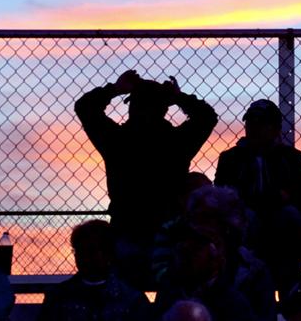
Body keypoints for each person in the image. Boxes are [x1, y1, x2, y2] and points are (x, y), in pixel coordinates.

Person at [75, 69, 218, 288]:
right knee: (173, 288)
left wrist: (116, 88)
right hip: (165, 231)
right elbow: (206, 117)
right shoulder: (177, 142)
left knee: (125, 290)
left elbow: (85, 107)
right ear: (164, 108)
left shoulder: (118, 140)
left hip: (129, 227)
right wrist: (178, 97)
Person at [215, 99, 301, 298]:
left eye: (262, 123)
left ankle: (291, 298)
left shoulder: (291, 158)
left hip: (281, 233)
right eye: (251, 122)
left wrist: (258, 200)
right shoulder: (231, 158)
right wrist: (278, 196)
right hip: (245, 231)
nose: (254, 128)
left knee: (288, 216)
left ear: (276, 128)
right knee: (250, 218)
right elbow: (226, 200)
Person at [153, 186, 276, 321]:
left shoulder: (253, 273)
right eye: (193, 218)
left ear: (227, 227)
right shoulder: (179, 268)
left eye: (205, 218)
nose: (195, 226)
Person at [39, 219, 150, 321]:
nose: (83, 257)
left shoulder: (133, 300)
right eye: (79, 251)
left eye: (90, 251)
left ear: (108, 253)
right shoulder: (58, 297)